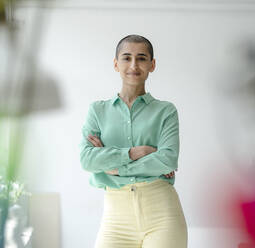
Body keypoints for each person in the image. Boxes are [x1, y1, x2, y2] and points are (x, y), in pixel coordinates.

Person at [80, 34, 187, 248]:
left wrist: (115, 169)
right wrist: (135, 153)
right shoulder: (97, 110)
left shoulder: (165, 111)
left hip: (162, 216)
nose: (134, 65)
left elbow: (167, 160)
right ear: (116, 64)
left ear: (152, 64)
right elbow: (87, 160)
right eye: (127, 58)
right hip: (115, 220)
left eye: (142, 58)